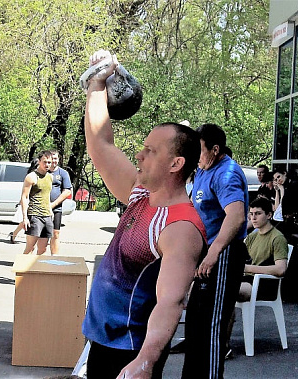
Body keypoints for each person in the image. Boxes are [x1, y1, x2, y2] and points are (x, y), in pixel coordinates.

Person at [81, 49, 206, 379]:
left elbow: (171, 301)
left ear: (175, 164)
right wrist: (98, 81)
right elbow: (100, 143)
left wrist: (146, 361)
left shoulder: (180, 226)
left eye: (150, 151)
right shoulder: (141, 195)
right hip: (105, 341)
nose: (139, 154)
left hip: (129, 349)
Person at [182, 123, 249, 379]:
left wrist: (213, 253)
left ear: (215, 149)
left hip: (223, 255)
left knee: (211, 327)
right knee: (195, 325)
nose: (195, 156)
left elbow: (236, 216)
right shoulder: (202, 169)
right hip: (204, 255)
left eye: (198, 150)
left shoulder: (227, 173)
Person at [226, 196, 288, 355]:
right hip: (247, 279)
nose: (253, 218)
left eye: (258, 214)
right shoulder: (253, 235)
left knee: (227, 292)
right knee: (211, 289)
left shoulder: (277, 238)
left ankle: (223, 344)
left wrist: (249, 268)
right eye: (251, 214)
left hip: (264, 284)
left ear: (269, 215)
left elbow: (281, 269)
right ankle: (211, 340)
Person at [20, 150, 53, 255]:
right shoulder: (31, 177)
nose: (47, 164)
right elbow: (24, 197)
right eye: (44, 162)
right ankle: (23, 270)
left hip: (47, 215)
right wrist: (25, 217)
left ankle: (37, 270)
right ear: (39, 161)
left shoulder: (50, 177)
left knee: (43, 249)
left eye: (49, 162)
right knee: (30, 248)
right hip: (35, 215)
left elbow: (46, 195)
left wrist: (50, 210)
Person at [47, 149, 72, 255]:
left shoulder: (63, 173)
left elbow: (67, 191)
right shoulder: (43, 171)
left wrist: (53, 204)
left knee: (55, 233)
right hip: (41, 208)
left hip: (56, 208)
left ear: (58, 159)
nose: (54, 161)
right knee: (40, 235)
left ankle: (54, 258)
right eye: (52, 158)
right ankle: (36, 259)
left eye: (56, 158)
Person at [9, 158, 39, 244]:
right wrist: (21, 202)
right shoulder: (31, 176)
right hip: (29, 201)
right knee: (25, 221)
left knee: (26, 222)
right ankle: (14, 235)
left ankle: (14, 234)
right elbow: (25, 193)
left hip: (37, 202)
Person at [272, 167, 298, 239]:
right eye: (276, 179)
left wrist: (281, 189)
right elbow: (277, 208)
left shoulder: (293, 185)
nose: (278, 180)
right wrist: (277, 190)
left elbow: (284, 205)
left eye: (279, 177)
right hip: (284, 221)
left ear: (284, 173)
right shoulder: (285, 186)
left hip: (291, 221)